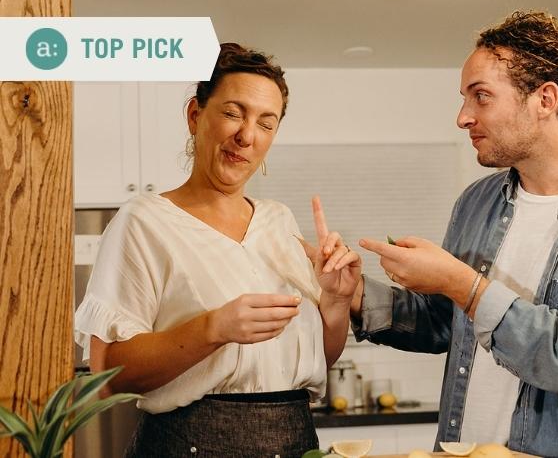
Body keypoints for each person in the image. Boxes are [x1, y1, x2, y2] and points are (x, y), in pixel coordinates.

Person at [351, 11, 558, 457]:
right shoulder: (477, 201)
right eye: (464, 98)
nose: (462, 117)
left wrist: (461, 282)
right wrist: (353, 293)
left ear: (545, 99)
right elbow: (446, 323)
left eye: (481, 97)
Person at [74, 43, 361, 458]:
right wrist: (213, 329)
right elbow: (108, 373)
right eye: (232, 113)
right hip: (189, 444)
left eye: (267, 123)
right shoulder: (144, 221)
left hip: (296, 442)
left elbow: (314, 362)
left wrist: (335, 303)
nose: (246, 136)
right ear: (195, 115)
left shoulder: (278, 221)